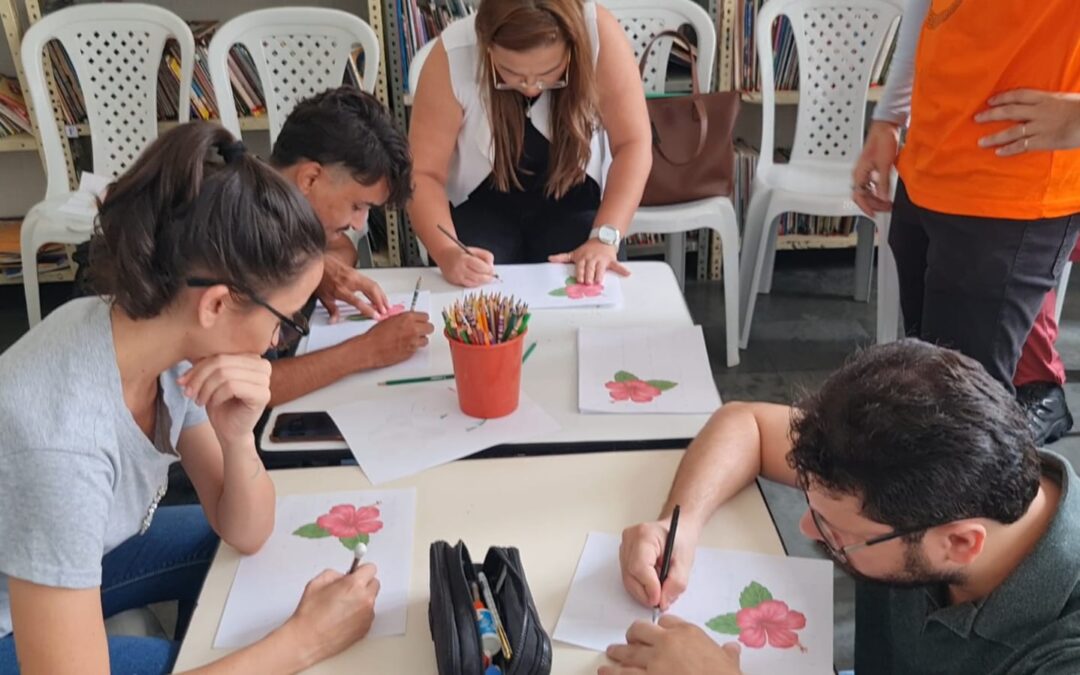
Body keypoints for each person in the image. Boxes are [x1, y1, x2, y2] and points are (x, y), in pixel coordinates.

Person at [0, 123, 380, 674]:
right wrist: (305, 642)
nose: (279, 341)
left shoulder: (160, 335)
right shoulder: (62, 447)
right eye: (287, 320)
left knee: (240, 557)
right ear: (218, 305)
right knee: (176, 660)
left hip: (68, 556)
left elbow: (245, 531)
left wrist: (236, 436)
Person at [609, 340, 1080, 675]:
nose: (808, 528)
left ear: (959, 542)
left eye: (838, 534)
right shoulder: (939, 473)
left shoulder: (1061, 652)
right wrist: (681, 525)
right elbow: (747, 424)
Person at [852, 0, 1080, 398]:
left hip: (1009, 187)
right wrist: (891, 116)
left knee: (960, 416)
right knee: (929, 398)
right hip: (929, 161)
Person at [408, 0, 652, 287]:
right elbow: (422, 173)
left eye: (549, 73)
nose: (531, 87)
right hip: (481, 208)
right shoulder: (453, 54)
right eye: (511, 73)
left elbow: (633, 144)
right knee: (472, 290)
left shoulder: (598, 36)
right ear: (486, 46)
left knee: (592, 279)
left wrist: (604, 237)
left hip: (574, 204)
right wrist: (447, 252)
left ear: (572, 45)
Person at [264, 87, 434, 405]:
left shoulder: (279, 206)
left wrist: (316, 267)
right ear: (310, 179)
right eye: (357, 206)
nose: (359, 224)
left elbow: (343, 249)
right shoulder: (237, 240)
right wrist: (365, 351)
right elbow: (243, 390)